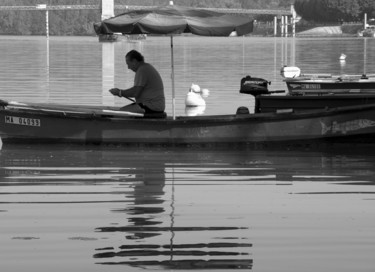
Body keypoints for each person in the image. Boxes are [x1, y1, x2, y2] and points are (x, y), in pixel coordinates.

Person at [109, 50, 165, 114]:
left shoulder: (142, 70)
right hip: (154, 106)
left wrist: (120, 92)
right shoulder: (146, 67)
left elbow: (136, 92)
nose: (128, 67)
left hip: (152, 107)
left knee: (121, 113)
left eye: (128, 64)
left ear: (134, 61)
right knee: (122, 110)